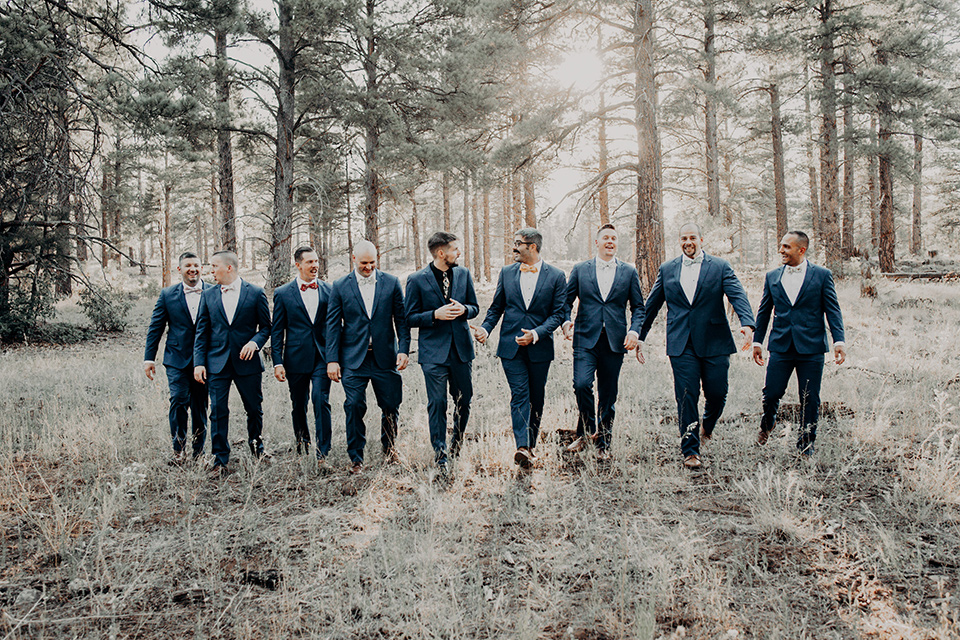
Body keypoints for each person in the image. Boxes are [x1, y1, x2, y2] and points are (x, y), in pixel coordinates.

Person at [638, 223, 754, 469]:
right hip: (681, 343)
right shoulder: (668, 268)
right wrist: (640, 335)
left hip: (715, 340)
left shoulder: (720, 266)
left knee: (717, 393)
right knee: (687, 395)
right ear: (679, 241)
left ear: (701, 239)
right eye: (683, 238)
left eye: (692, 237)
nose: (688, 241)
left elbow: (737, 295)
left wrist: (747, 324)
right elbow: (652, 305)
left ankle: (707, 426)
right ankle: (690, 450)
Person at [473, 228, 566, 469]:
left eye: (518, 244)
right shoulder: (506, 273)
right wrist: (485, 329)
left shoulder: (556, 276)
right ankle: (522, 446)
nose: (514, 248)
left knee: (537, 397)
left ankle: (530, 446)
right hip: (510, 347)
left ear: (532, 247)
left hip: (540, 346)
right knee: (520, 394)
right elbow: (496, 308)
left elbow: (558, 314)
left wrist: (535, 334)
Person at [753, 230, 846, 456]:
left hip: (811, 347)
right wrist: (758, 342)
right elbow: (764, 311)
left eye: (786, 246)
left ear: (801, 250)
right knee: (772, 393)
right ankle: (768, 421)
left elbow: (832, 310)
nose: (781, 250)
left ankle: (806, 444)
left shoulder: (822, 275)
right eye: (781, 245)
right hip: (781, 346)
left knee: (809, 397)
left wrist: (839, 340)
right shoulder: (772, 276)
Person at [561, 224, 645, 460]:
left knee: (608, 394)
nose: (610, 241)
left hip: (615, 342)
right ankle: (587, 432)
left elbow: (639, 307)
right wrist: (566, 322)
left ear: (617, 243)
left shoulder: (628, 272)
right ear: (596, 242)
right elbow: (566, 302)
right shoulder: (580, 270)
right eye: (605, 238)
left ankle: (604, 442)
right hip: (585, 339)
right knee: (581, 384)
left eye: (614, 238)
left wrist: (634, 332)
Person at [326, 240, 410, 474]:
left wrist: (403, 349)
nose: (369, 267)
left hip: (385, 357)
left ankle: (390, 450)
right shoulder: (340, 285)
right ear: (354, 259)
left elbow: (401, 320)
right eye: (364, 263)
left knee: (391, 406)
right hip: (353, 358)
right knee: (353, 405)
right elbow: (332, 325)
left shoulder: (391, 283)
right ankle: (356, 458)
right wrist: (332, 359)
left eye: (373, 262)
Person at [404, 232, 479, 474]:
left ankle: (456, 444)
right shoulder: (416, 280)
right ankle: (441, 453)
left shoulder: (464, 274)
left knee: (464, 401)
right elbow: (409, 317)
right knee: (437, 403)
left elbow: (475, 307)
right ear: (440, 253)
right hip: (433, 354)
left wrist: (464, 309)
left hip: (461, 351)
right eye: (455, 249)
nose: (459, 253)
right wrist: (434, 315)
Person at [193, 250, 272, 475]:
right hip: (216, 363)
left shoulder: (255, 293)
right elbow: (202, 332)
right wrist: (199, 363)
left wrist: (254, 343)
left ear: (229, 267)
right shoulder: (208, 295)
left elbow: (266, 327)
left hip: (247, 363)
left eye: (214, 266)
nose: (210, 271)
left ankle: (257, 448)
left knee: (254, 409)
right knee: (217, 410)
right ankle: (220, 459)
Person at [144, 252, 211, 462]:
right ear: (179, 269)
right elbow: (156, 328)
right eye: (188, 265)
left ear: (202, 268)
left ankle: (199, 452)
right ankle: (179, 449)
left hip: (205, 360)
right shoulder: (167, 295)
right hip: (176, 358)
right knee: (179, 400)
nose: (193, 269)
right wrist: (149, 358)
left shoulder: (213, 291)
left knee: (201, 406)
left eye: (196, 265)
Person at [271, 246, 333, 467]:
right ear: (298, 265)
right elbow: (277, 331)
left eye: (316, 261)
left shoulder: (329, 290)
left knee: (320, 399)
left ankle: (322, 452)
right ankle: (302, 443)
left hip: (322, 357)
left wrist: (335, 357)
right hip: (295, 358)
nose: (315, 265)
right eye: (309, 262)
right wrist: (277, 362)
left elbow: (335, 326)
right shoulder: (283, 293)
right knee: (299, 404)